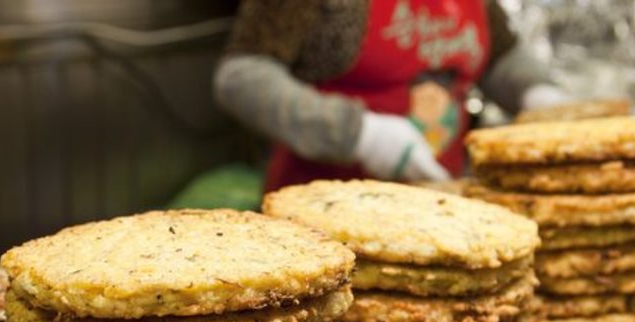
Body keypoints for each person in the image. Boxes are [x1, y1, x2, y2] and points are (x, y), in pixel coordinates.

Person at [214, 0, 569, 191]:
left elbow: (498, 54)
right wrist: (358, 134)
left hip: (436, 201)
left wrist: (533, 90)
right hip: (325, 209)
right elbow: (242, 76)